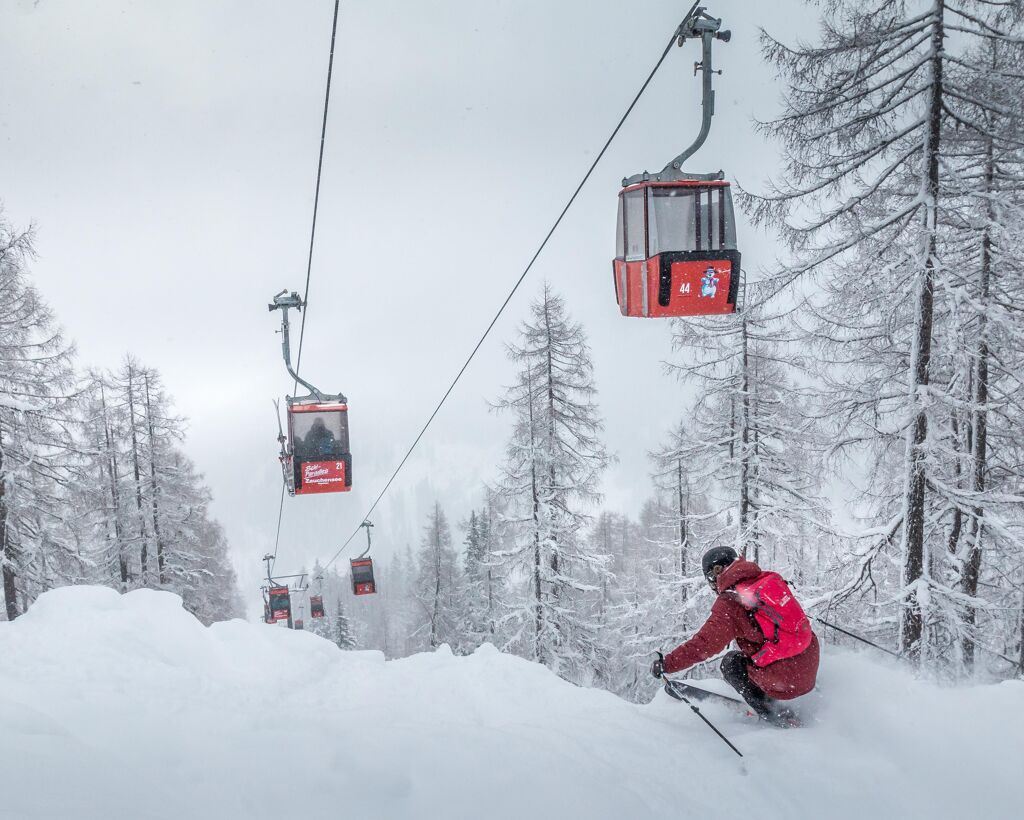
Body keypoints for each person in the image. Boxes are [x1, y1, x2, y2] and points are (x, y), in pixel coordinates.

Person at [651, 546, 819, 726]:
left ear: (715, 574)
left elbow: (704, 644)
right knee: (752, 656)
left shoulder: (730, 603)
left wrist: (668, 664)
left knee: (731, 663)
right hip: (810, 664)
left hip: (784, 680)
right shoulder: (766, 579)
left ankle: (777, 716)